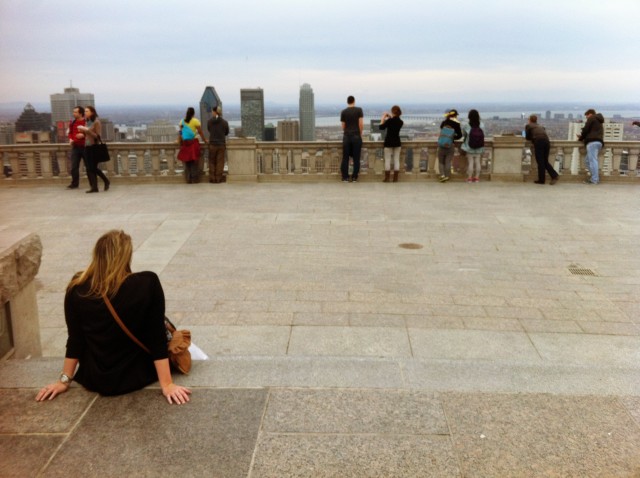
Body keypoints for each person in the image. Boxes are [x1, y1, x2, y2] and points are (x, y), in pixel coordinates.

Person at [36, 230, 191, 404]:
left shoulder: (76, 288)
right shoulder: (147, 283)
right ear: (127, 256)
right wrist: (167, 384)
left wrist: (63, 381)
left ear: (97, 255)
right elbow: (156, 337)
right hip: (137, 374)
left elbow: (75, 339)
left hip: (94, 377)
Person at [78, 106, 110, 193]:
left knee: (93, 167)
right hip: (87, 147)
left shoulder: (96, 122)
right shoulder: (87, 121)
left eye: (87, 111)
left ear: (92, 112)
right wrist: (82, 132)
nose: (85, 113)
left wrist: (87, 130)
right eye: (85, 111)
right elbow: (87, 135)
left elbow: (97, 136)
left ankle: (105, 180)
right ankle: (95, 187)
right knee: (90, 168)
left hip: (94, 147)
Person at [525, 114, 559, 185]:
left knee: (540, 162)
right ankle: (554, 175)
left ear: (530, 120)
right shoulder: (541, 126)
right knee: (545, 161)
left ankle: (542, 180)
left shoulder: (528, 126)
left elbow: (527, 137)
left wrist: (532, 138)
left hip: (538, 142)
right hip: (546, 141)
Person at [177, 107, 207, 184]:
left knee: (187, 162)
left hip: (185, 143)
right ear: (193, 113)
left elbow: (180, 132)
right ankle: (194, 179)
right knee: (194, 161)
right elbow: (200, 132)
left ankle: (188, 179)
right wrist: (204, 140)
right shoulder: (195, 121)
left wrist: (179, 140)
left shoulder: (182, 121)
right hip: (193, 143)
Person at [577, 108, 604, 184]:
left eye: (587, 116)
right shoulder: (599, 120)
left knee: (592, 161)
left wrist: (581, 138)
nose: (586, 118)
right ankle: (594, 177)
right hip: (598, 142)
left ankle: (594, 180)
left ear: (590, 114)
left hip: (592, 142)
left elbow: (586, 130)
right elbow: (593, 131)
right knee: (587, 161)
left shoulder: (592, 118)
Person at [340, 96, 364, 182]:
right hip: (356, 136)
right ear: (354, 101)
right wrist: (360, 134)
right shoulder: (359, 110)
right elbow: (361, 124)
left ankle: (345, 177)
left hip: (346, 136)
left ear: (347, 102)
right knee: (356, 158)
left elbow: (343, 126)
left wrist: (347, 131)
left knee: (345, 157)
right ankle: (354, 177)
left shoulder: (343, 112)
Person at [379, 105, 404, 182]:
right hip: (397, 142)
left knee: (388, 160)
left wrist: (383, 118)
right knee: (396, 160)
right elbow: (394, 122)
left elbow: (381, 127)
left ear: (392, 112)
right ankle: (395, 178)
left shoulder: (389, 121)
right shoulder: (401, 122)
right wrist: (390, 117)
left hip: (388, 142)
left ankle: (387, 178)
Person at [437, 109, 462, 182]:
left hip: (441, 144)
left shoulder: (444, 123)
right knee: (448, 162)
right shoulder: (457, 124)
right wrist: (452, 137)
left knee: (441, 161)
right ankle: (447, 176)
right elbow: (460, 135)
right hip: (450, 145)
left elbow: (442, 131)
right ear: (455, 116)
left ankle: (442, 175)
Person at [461, 109, 486, 183]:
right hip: (479, 146)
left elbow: (464, 135)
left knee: (470, 162)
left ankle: (469, 178)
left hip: (470, 146)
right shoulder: (481, 124)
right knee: (477, 162)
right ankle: (477, 178)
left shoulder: (466, 125)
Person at [207, 106, 229, 184]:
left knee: (211, 161)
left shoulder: (209, 121)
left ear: (215, 112)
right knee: (220, 162)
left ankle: (212, 178)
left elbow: (209, 130)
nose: (212, 113)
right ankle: (218, 178)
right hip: (221, 144)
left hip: (212, 144)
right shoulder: (224, 122)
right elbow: (226, 132)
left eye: (212, 111)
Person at [66, 106, 86, 189]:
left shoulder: (86, 122)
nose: (73, 113)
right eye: (73, 112)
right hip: (75, 147)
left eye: (75, 112)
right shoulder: (73, 122)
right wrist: (70, 139)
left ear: (80, 113)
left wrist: (83, 135)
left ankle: (93, 184)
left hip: (85, 147)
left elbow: (91, 133)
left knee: (89, 166)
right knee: (74, 167)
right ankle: (74, 184)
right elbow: (70, 132)